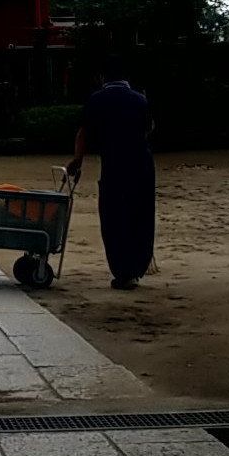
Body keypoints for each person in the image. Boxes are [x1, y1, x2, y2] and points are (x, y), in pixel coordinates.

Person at [67, 56, 155, 290]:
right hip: (143, 166)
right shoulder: (140, 99)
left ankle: (123, 271)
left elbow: (83, 133)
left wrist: (77, 161)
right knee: (140, 216)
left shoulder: (97, 99)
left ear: (102, 78)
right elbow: (149, 129)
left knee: (114, 217)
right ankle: (138, 267)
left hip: (115, 166)